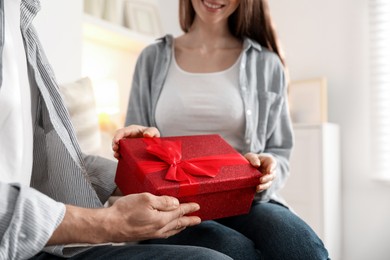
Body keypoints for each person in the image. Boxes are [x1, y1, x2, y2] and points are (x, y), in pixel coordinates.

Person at [0, 0, 237, 259]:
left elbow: (47, 160)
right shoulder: (154, 56)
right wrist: (110, 222)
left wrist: (138, 174)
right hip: (23, 246)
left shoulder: (22, 22)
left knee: (229, 243)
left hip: (40, 240)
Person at [116, 0, 330, 259]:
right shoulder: (152, 58)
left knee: (304, 250)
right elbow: (134, 146)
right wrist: (132, 142)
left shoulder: (268, 64)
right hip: (173, 206)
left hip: (248, 201)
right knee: (234, 251)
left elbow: (279, 151)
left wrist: (267, 169)